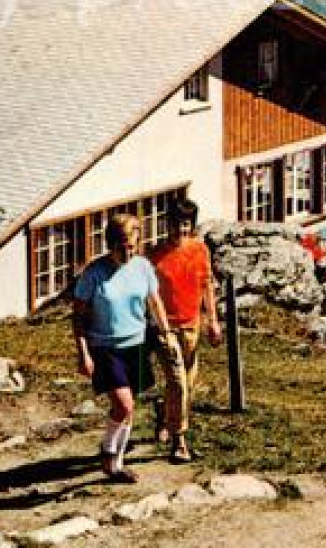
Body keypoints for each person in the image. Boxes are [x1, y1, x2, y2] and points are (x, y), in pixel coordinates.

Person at [73, 213, 172, 483]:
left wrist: (167, 334)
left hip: (135, 343)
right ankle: (107, 451)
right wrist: (83, 353)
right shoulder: (94, 274)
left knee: (129, 408)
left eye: (132, 246)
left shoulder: (143, 267)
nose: (127, 253)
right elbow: (78, 317)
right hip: (105, 346)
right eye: (121, 247)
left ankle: (116, 464)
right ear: (110, 244)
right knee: (124, 405)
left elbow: (154, 303)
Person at [150, 199, 221, 464]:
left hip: (192, 325)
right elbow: (148, 294)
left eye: (186, 225)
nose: (181, 230)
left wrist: (213, 321)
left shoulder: (200, 251)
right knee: (179, 381)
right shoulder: (154, 256)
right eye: (177, 224)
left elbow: (207, 286)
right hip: (165, 329)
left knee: (185, 385)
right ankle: (180, 440)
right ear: (167, 224)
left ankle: (164, 411)